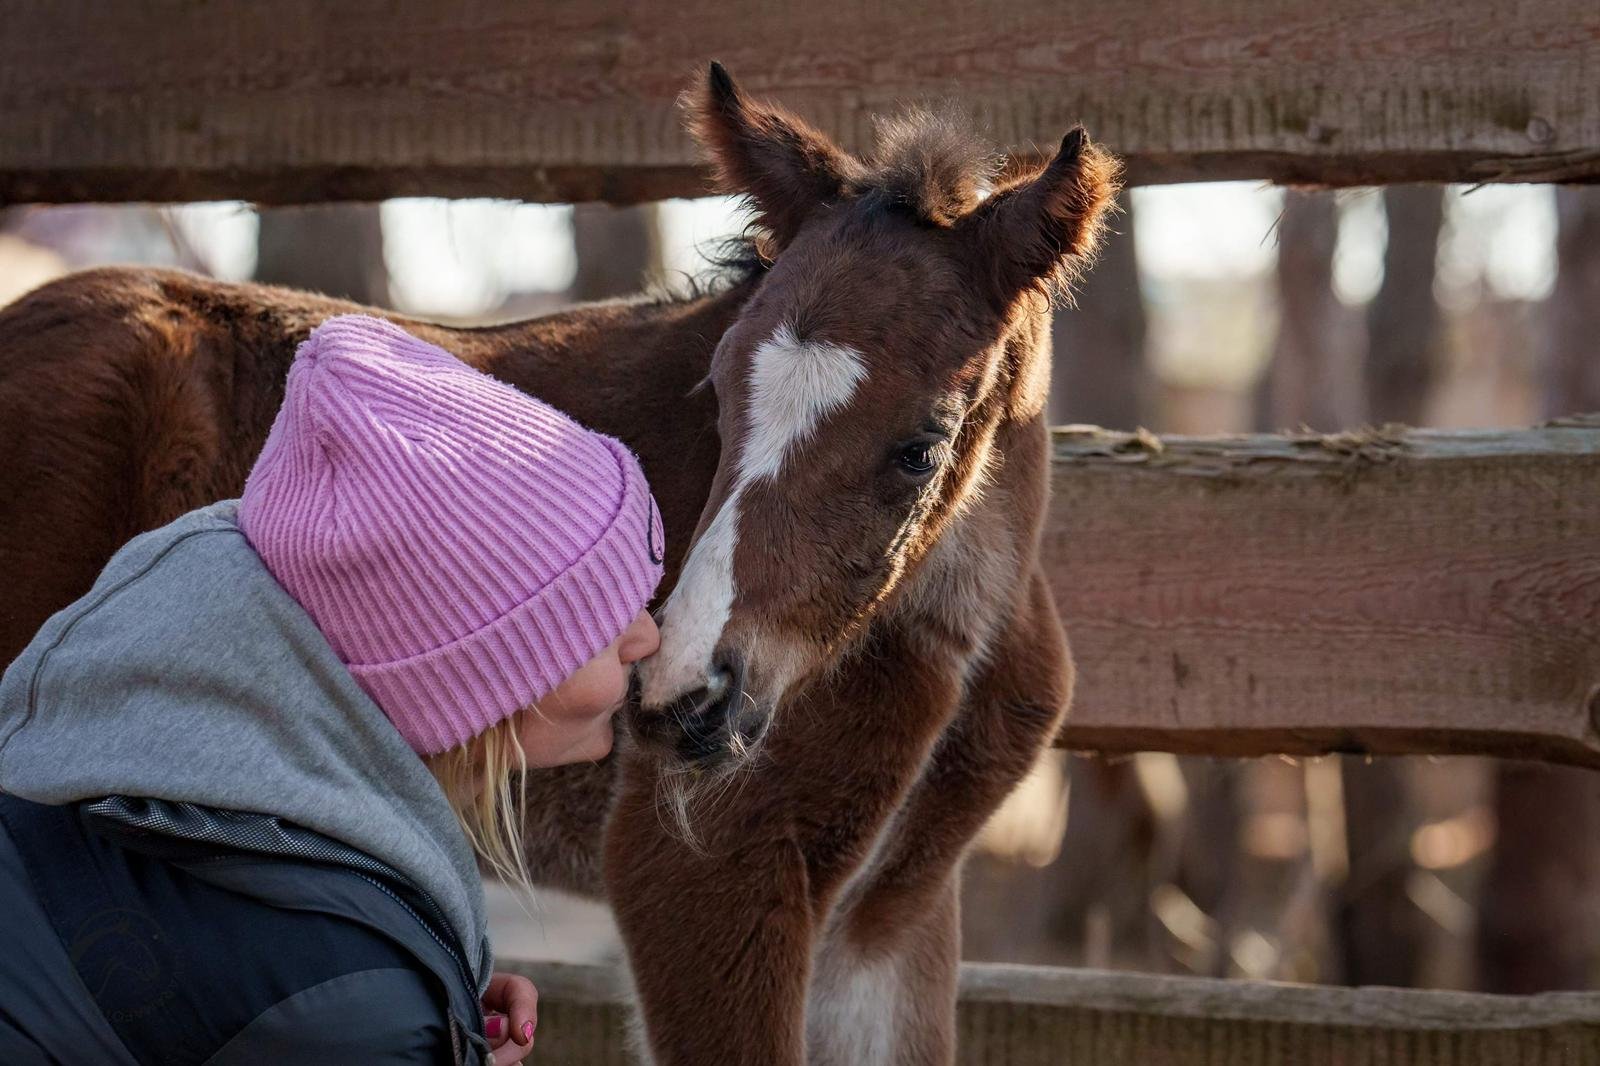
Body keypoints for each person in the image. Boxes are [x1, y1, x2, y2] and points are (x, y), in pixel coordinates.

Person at [0, 315, 664, 1064]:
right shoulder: (347, 1004)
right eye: (602, 615)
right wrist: (393, 1017)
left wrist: (420, 990)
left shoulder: (130, 785)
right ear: (472, 674)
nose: (646, 637)